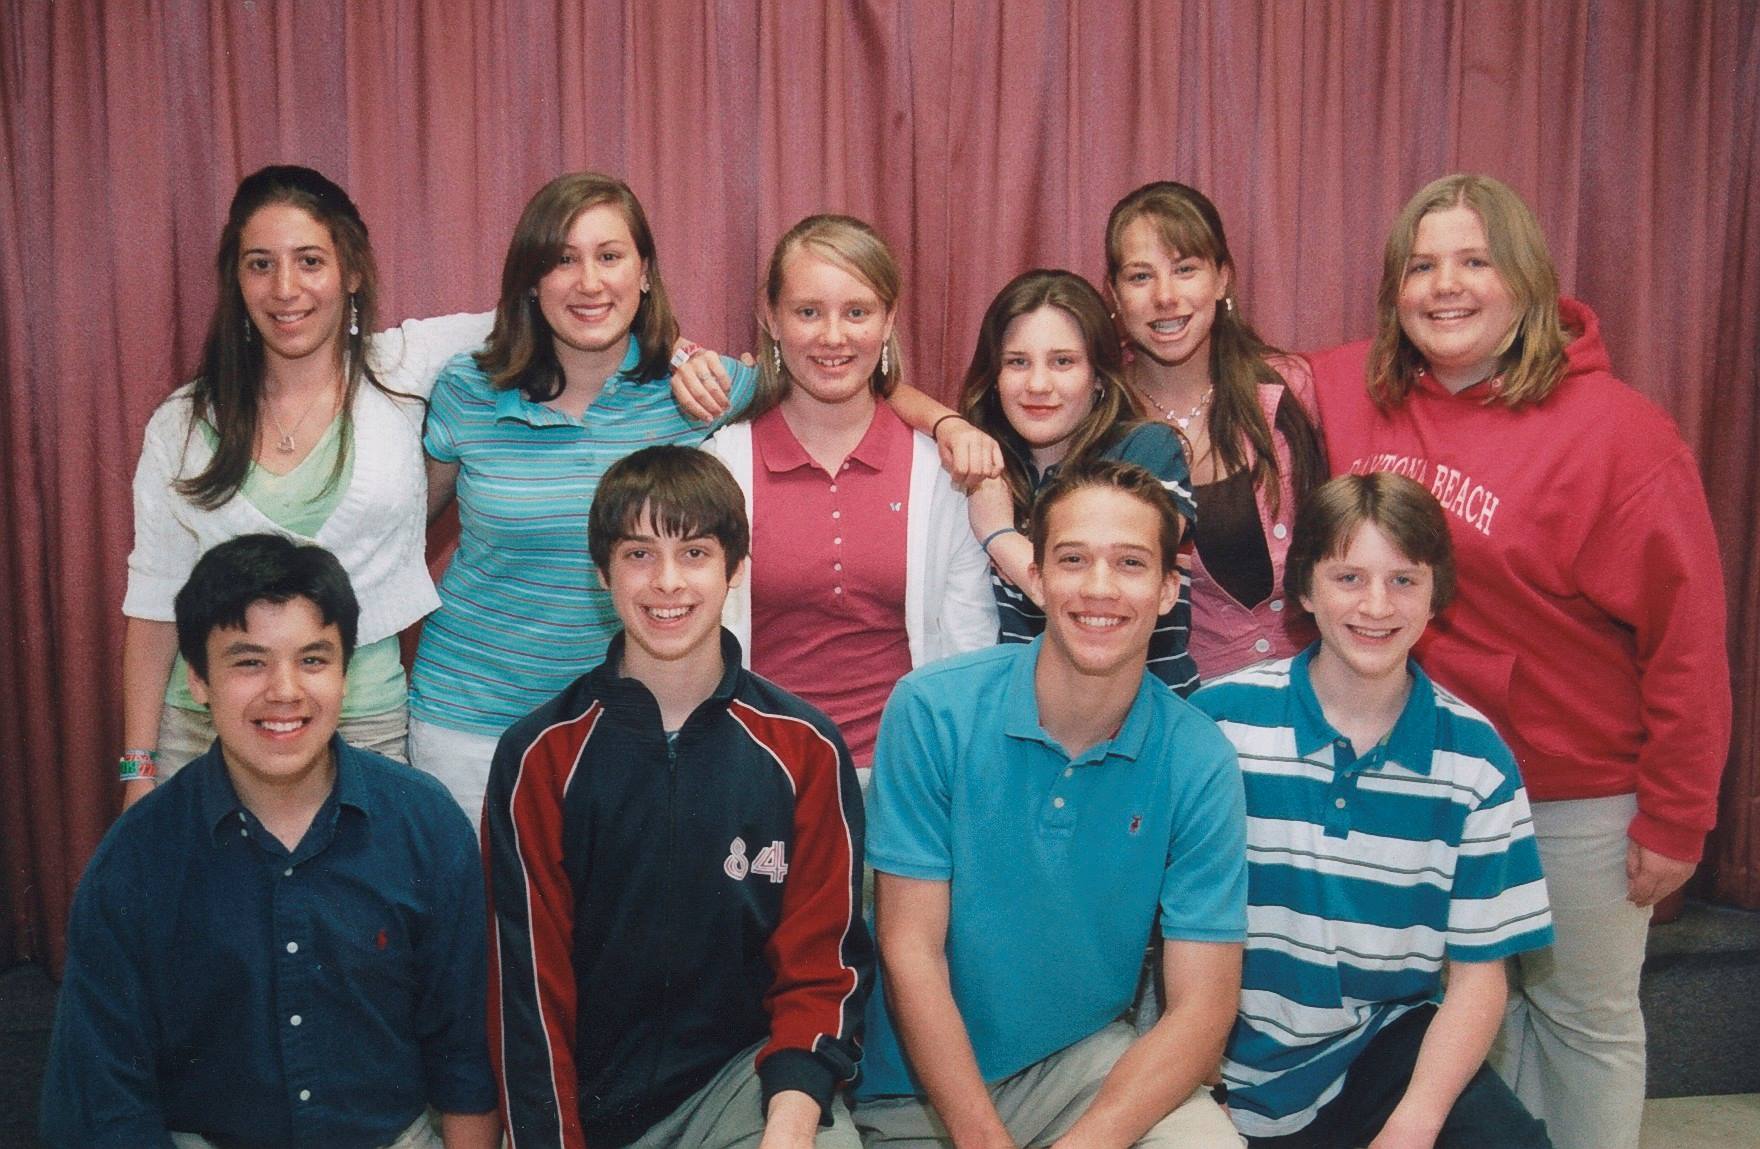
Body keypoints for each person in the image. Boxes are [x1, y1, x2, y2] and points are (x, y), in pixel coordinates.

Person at [1307, 173, 1731, 1149]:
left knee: (1580, 1025)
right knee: (1460, 1031)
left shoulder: (1621, 435)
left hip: (1569, 798)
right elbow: (1217, 376)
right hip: (1410, 792)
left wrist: (1676, 813)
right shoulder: (1348, 389)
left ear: (1524, 280)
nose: (1442, 286)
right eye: (1419, 265)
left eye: (1472, 260)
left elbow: (1685, 640)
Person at [44, 534, 498, 1149]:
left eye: (313, 660)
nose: (284, 691)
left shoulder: (426, 825)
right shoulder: (136, 859)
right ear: (199, 679)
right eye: (249, 662)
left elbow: (464, 1059)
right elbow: (107, 1096)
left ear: (346, 672)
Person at [485, 445, 872, 1148]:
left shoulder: (805, 750)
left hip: (741, 1093)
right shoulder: (539, 757)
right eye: (638, 553)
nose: (667, 582)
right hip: (591, 1113)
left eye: (694, 552)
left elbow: (823, 967)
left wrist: (790, 1125)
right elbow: (526, 993)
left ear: (736, 570)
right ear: (602, 572)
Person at [854, 458, 1247, 1148]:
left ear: (1166, 589)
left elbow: (1203, 1008)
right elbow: (910, 948)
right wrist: (982, 1135)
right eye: (1073, 559)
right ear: (1034, 576)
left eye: (1130, 563)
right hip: (920, 1090)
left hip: (1083, 1069)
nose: (1100, 588)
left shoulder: (1198, 755)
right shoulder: (932, 709)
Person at [1193, 473, 1554, 1149]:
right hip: (1222, 1059)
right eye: (1349, 577)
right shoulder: (1219, 724)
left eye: (1404, 580)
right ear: (1304, 587)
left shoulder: (1476, 759)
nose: (1376, 605)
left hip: (1377, 1049)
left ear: (1436, 593)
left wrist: (1414, 1124)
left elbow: (1480, 979)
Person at [120, 164, 491, 806]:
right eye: (260, 264)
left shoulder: (402, 371)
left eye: (310, 261)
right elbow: (153, 607)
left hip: (361, 724)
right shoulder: (181, 425)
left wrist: (681, 356)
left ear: (351, 272)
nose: (285, 288)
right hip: (206, 733)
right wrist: (137, 771)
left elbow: (561, 308)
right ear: (237, 282)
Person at [409, 171, 761, 819]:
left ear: (645, 272)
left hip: (625, 725)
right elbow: (402, 528)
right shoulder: (469, 388)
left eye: (609, 256)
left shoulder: (698, 389)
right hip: (470, 722)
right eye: (563, 259)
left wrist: (945, 424)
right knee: (471, 919)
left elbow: (830, 381)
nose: (590, 282)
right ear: (532, 280)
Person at [702, 214, 997, 768]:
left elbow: (969, 649)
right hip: (760, 774)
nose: (833, 337)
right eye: (808, 311)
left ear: (888, 321)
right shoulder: (723, 464)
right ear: (771, 317)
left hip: (905, 779)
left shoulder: (940, 470)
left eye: (856, 312)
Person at [1105, 181, 1327, 678]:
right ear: (1114, 293)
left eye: (1185, 270)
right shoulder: (1096, 414)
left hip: (1307, 694)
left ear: (1222, 278)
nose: (1166, 297)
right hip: (1173, 708)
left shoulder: (1290, 387)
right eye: (1141, 276)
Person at [958, 267, 1200, 693]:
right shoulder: (990, 464)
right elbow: (886, 392)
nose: (1037, 384)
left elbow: (1090, 592)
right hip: (1023, 722)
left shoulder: (1148, 451)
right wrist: (945, 424)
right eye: (1017, 362)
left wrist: (996, 532)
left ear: (1099, 378)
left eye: (1063, 362)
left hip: (1148, 723)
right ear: (994, 378)